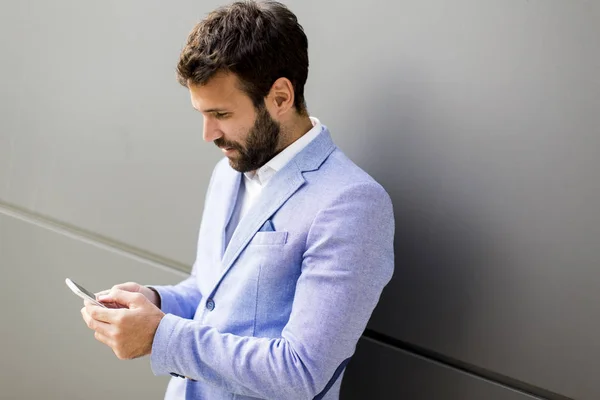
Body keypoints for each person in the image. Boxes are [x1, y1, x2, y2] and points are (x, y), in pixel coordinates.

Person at [80, 1, 395, 399]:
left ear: (280, 96)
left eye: (222, 114)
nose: (208, 134)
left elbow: (301, 372)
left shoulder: (352, 204)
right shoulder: (229, 173)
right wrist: (154, 301)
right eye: (201, 114)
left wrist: (159, 336)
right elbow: (211, 294)